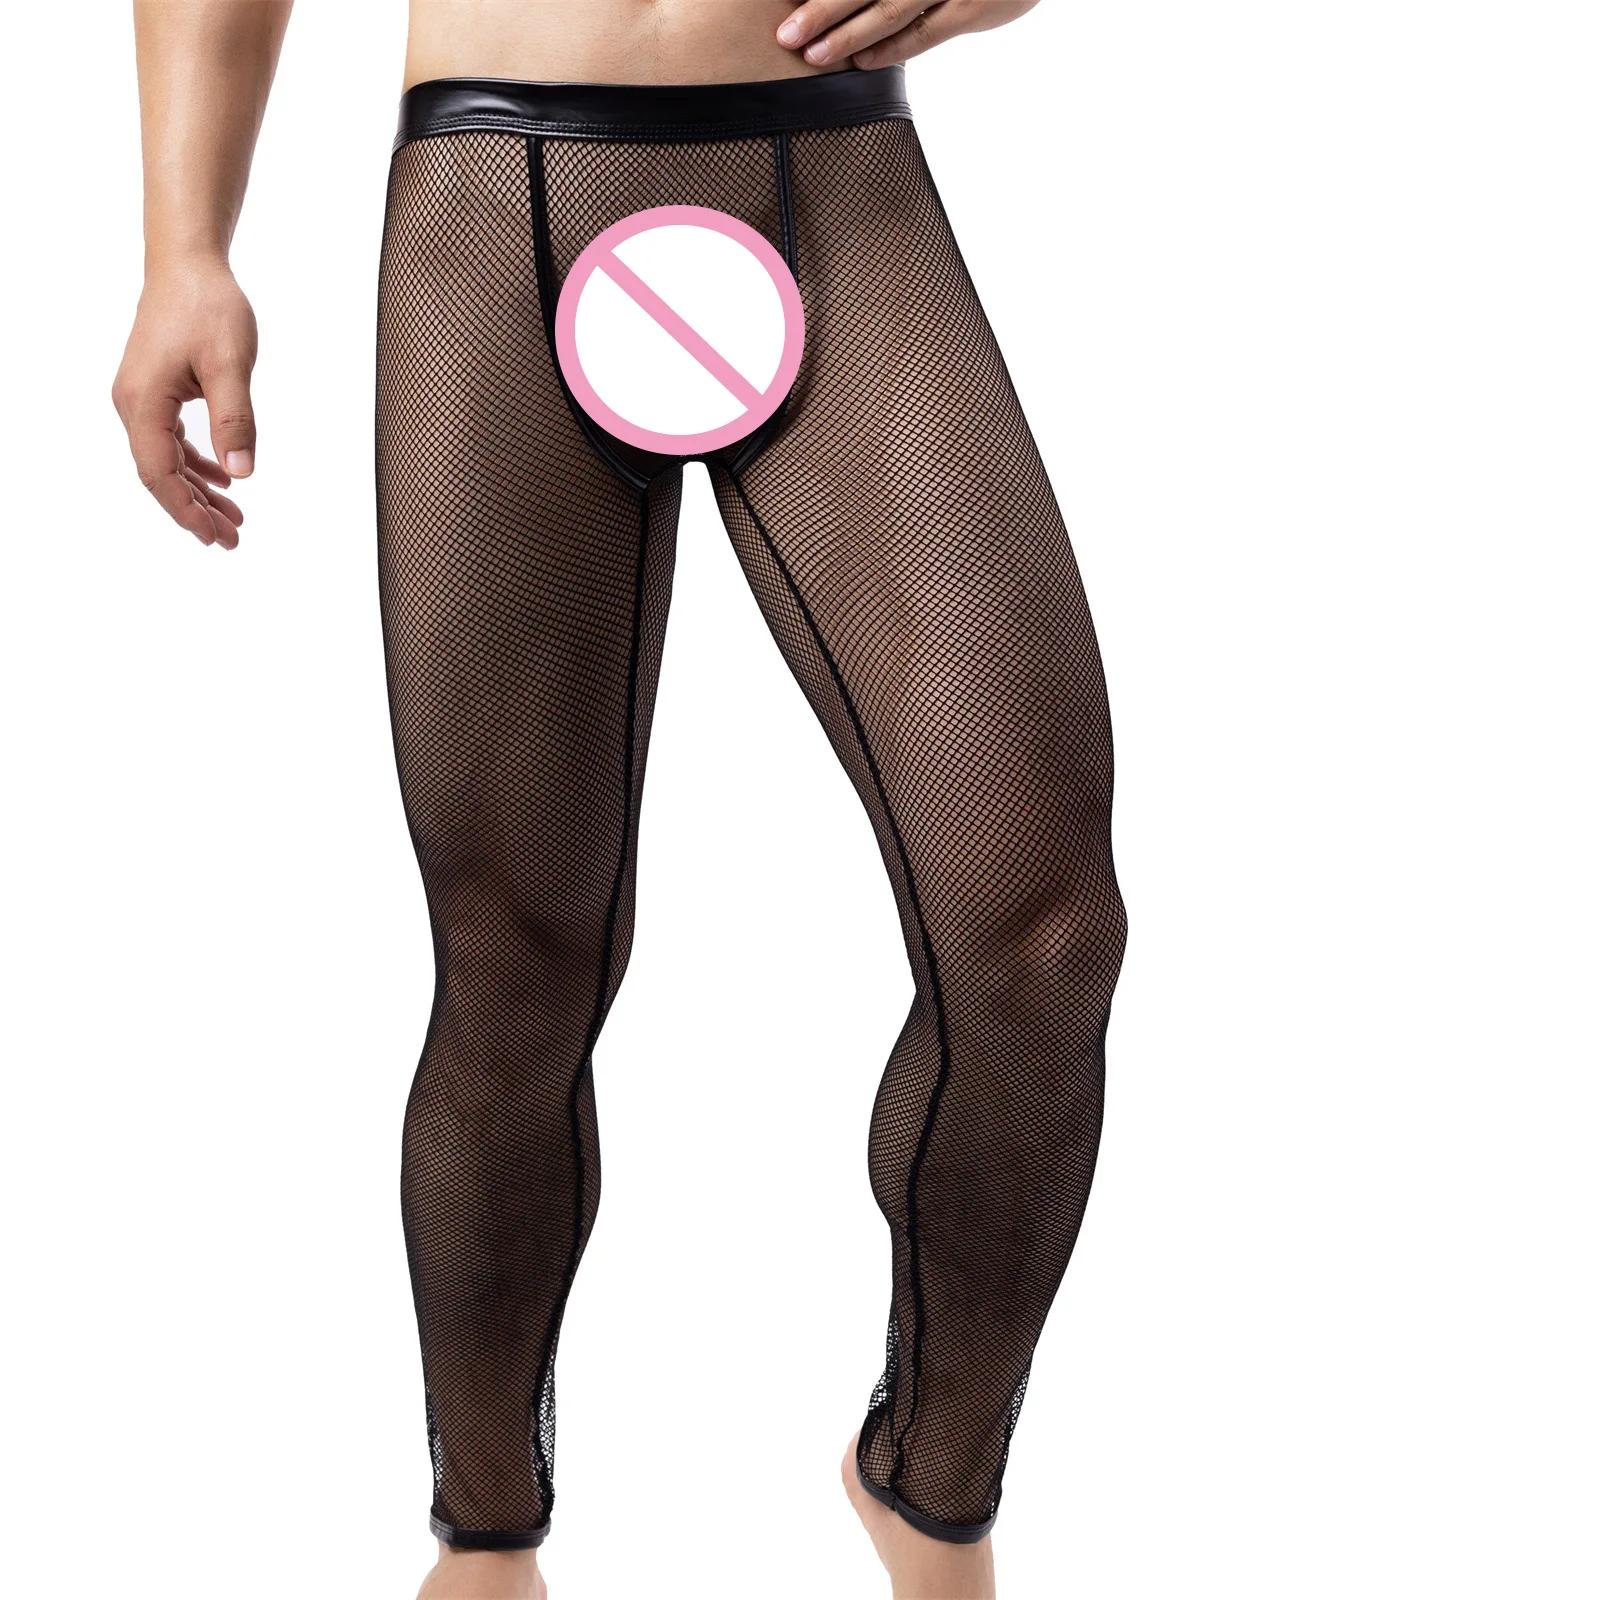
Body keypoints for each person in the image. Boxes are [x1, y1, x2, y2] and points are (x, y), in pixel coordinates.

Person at [112, 4, 1126, 1596]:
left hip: (838, 179)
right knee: (515, 962)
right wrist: (186, 245)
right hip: (488, 196)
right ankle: (486, 1544)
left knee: (1042, 939)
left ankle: (933, 1496)